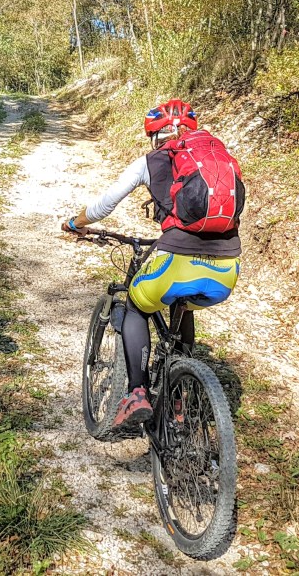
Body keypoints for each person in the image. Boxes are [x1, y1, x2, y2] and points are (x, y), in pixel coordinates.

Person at [62, 99, 243, 428]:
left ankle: (136, 393)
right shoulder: (219, 159)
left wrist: (75, 223)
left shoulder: (151, 161)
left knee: (135, 305)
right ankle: (178, 396)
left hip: (176, 258)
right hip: (227, 268)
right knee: (182, 307)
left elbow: (104, 205)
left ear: (155, 136)